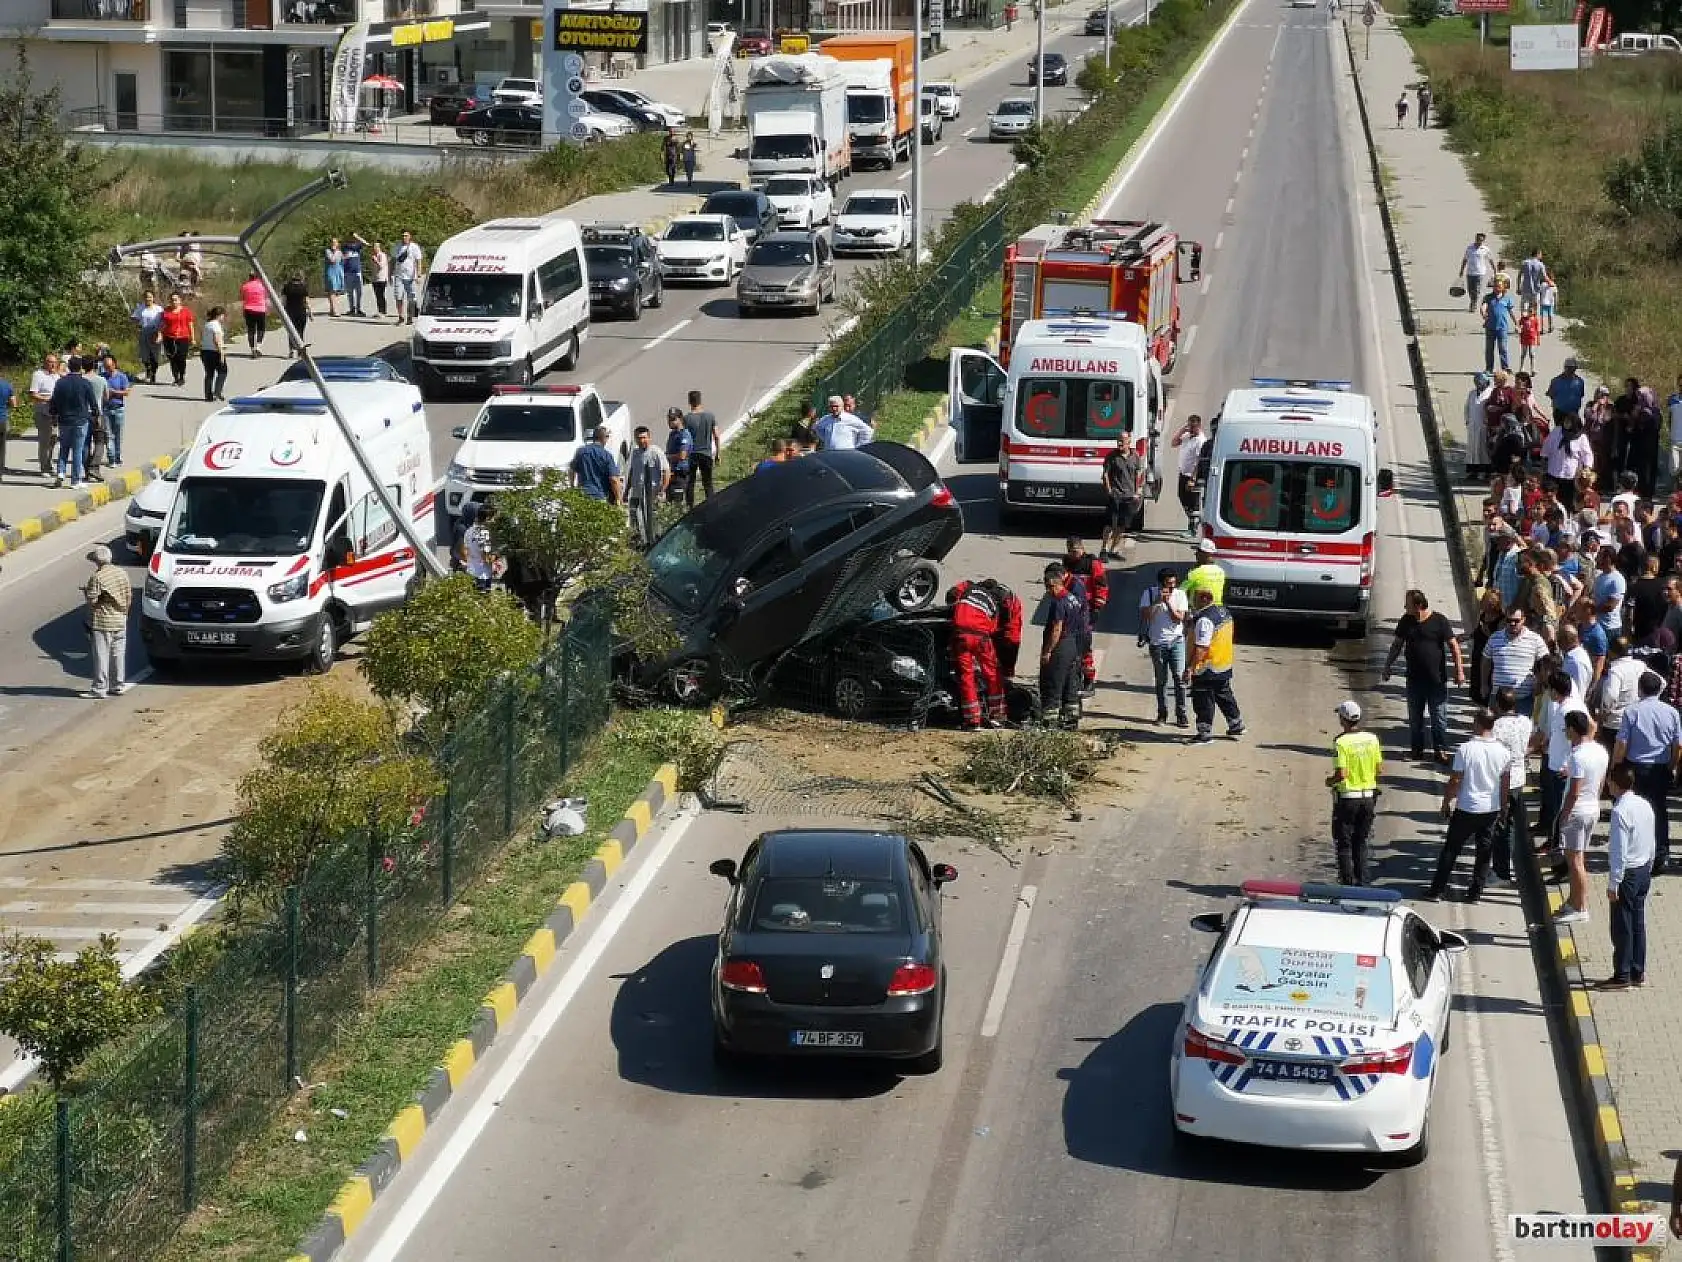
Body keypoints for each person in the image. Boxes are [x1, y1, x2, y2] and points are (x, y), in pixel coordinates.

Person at [1429, 708, 1512, 903]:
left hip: (1467, 807)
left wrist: (1446, 803)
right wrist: (1503, 807)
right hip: (1490, 810)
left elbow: (1455, 781)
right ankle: (1475, 893)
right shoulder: (1503, 752)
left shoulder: (1465, 749)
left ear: (1478, 723)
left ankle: (1437, 890)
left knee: (1451, 849)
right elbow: (1505, 783)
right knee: (1484, 853)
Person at [1382, 588, 1465, 762]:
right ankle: (1417, 750)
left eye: (1408, 604)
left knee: (1439, 718)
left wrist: (1459, 671)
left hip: (1436, 681)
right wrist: (1387, 665)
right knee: (1415, 719)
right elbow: (1397, 645)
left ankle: (1440, 750)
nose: (1405, 607)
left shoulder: (1439, 620)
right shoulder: (1406, 621)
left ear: (1418, 605)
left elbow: (1453, 646)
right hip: (1414, 680)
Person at [1612, 669, 1681, 877]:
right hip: (1660, 769)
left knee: (1636, 812)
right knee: (1659, 810)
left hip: (1637, 768)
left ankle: (1639, 855)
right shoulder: (1671, 712)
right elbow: (1678, 746)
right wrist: (1671, 766)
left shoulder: (1632, 712)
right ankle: (1662, 855)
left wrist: (1616, 765)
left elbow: (1622, 743)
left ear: (1640, 689)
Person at [1600, 763, 1655, 989]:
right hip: (1643, 870)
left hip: (1628, 874)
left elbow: (1618, 852)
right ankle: (1637, 971)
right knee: (1638, 924)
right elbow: (1651, 839)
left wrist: (1614, 882)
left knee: (1622, 926)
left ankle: (1622, 975)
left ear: (1615, 784)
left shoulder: (1620, 811)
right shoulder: (1645, 805)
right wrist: (1649, 865)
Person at [1555, 709, 1608, 925]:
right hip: (1592, 808)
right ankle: (1572, 900)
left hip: (1577, 813)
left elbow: (1574, 792)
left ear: (1571, 729)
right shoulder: (1600, 750)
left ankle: (1581, 907)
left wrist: (1563, 816)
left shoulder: (1577, 756)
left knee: (1575, 862)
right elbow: (1600, 782)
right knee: (1578, 858)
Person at [1327, 699, 1383, 886]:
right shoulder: (1372, 739)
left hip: (1348, 797)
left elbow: (1341, 774)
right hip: (1368, 796)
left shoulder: (1341, 742)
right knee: (1361, 841)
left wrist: (1330, 781)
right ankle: (1363, 882)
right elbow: (1379, 769)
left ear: (1343, 719)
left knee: (1344, 842)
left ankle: (1347, 882)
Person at [1184, 587, 1244, 745]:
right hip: (1223, 663)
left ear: (1203, 598)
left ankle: (1204, 733)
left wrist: (1190, 668)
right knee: (1223, 694)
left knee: (1203, 699)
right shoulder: (1223, 612)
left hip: (1207, 667)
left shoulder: (1205, 620)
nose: (1191, 602)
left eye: (1193, 597)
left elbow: (1202, 647)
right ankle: (1236, 724)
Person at [1490, 686, 1533, 884]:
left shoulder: (1496, 727)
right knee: (1510, 826)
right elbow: (1538, 738)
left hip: (1502, 782)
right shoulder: (1525, 722)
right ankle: (1507, 866)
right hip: (1519, 779)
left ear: (1498, 704)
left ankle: (1501, 873)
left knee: (1501, 827)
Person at [947, 581, 1004, 730]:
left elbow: (952, 594)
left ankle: (972, 720)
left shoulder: (968, 590)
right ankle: (997, 716)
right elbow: (993, 628)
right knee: (993, 674)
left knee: (966, 675)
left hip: (961, 635)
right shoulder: (992, 603)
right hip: (981, 637)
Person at [1039, 562, 1088, 730]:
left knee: (1053, 682)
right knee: (1070, 682)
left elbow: (1056, 628)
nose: (1047, 591)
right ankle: (1071, 719)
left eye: (1048, 587)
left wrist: (1048, 651)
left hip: (1061, 646)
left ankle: (1050, 722)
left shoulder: (1058, 602)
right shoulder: (1072, 598)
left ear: (1054, 584)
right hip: (1074, 644)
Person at [1138, 567, 1189, 727]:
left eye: (1174, 583)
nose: (1172, 587)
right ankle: (1162, 713)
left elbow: (1178, 618)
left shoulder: (1180, 595)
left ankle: (1181, 714)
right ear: (1161, 584)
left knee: (1179, 680)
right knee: (1161, 681)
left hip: (1176, 642)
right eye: (1169, 584)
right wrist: (1157, 602)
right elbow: (1146, 616)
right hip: (1157, 643)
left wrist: (1168, 603)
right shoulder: (1149, 593)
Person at [83, 544, 132, 699]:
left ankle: (99, 688)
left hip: (103, 622)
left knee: (101, 655)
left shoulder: (97, 577)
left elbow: (92, 601)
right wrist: (124, 613)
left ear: (97, 561)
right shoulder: (122, 573)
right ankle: (118, 685)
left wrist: (86, 592)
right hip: (120, 619)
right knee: (118, 654)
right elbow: (128, 595)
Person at [1481, 607, 1547, 712]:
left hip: (1524, 699)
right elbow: (1486, 661)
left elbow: (1545, 663)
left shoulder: (1535, 640)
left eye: (1516, 621)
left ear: (1523, 620)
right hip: (1498, 699)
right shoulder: (1494, 638)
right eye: (1509, 620)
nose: (1512, 624)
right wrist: (1484, 684)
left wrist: (1539, 683)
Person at [1063, 538, 1106, 693]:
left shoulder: (1092, 564)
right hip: (1070, 610)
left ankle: (1089, 679)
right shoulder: (1067, 562)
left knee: (1084, 645)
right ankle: (1072, 677)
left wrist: (1097, 608)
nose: (1074, 555)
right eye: (1071, 552)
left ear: (1082, 549)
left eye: (1076, 551)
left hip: (1085, 610)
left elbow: (1101, 586)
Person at [48, 356, 98, 490]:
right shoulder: (85, 383)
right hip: (80, 420)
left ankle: (61, 472)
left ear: (69, 367)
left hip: (64, 420)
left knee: (64, 448)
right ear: (80, 367)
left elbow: (54, 401)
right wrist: (96, 414)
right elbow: (93, 401)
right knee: (77, 450)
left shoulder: (60, 383)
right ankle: (75, 480)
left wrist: (53, 414)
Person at [624, 425, 670, 547]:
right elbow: (632, 471)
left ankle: (656, 541)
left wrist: (662, 490)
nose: (641, 441)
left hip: (652, 492)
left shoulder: (656, 452)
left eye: (644, 438)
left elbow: (666, 471)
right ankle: (638, 541)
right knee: (634, 516)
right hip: (637, 492)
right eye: (639, 438)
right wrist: (627, 490)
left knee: (654, 519)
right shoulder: (635, 453)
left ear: (649, 438)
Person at [1099, 434, 1141, 560]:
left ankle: (1114, 550)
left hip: (1129, 497)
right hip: (1115, 495)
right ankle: (1104, 550)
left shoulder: (1135, 456)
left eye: (1122, 441)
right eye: (1118, 441)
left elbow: (1136, 474)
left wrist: (1137, 491)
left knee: (1122, 525)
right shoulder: (1112, 457)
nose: (1120, 444)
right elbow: (1105, 474)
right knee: (1109, 524)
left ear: (1129, 442)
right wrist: (1109, 490)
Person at [979, 577, 1023, 681]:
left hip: (1010, 627)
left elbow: (1001, 620)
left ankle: (1006, 678)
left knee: (1008, 649)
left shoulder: (1002, 599)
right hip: (1008, 623)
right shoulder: (1000, 592)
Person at [1170, 414, 1207, 533]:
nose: (1190, 429)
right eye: (1189, 426)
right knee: (1181, 496)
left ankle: (1193, 528)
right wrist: (1182, 431)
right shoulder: (1187, 435)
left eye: (1193, 427)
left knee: (1193, 501)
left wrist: (1193, 478)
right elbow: (1174, 443)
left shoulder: (1201, 441)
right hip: (1183, 473)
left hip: (1192, 476)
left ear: (1199, 426)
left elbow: (1198, 461)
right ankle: (1192, 519)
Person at [682, 389, 719, 504]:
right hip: (706, 454)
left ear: (689, 402)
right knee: (708, 483)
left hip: (691, 455)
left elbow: (684, 438)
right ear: (700, 400)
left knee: (690, 483)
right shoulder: (710, 416)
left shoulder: (686, 419)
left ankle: (690, 508)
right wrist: (718, 453)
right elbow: (716, 435)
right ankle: (711, 505)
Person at [569, 425, 621, 503]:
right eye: (607, 437)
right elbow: (613, 479)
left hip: (583, 495)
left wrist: (572, 486)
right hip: (599, 496)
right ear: (604, 438)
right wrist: (618, 498)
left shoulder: (581, 451)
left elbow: (571, 470)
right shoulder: (606, 455)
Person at [1481, 277, 1517, 374]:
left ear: (1503, 287)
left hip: (1502, 327)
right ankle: (1489, 368)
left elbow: (1511, 312)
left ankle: (1505, 368)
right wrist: (1483, 313)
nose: (1496, 288)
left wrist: (1516, 323)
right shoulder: (1488, 297)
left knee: (1503, 348)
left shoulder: (1507, 299)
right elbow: (1483, 306)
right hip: (1490, 327)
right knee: (1489, 349)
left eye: (1499, 286)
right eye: (1495, 286)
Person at [159, 291, 195, 387]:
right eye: (172, 300)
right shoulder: (166, 312)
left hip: (183, 337)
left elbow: (190, 324)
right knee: (172, 359)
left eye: (176, 300)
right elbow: (162, 325)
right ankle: (176, 378)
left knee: (181, 358)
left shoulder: (186, 311)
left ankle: (182, 376)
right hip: (169, 338)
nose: (174, 302)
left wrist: (193, 337)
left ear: (180, 300)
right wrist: (160, 335)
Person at [1464, 373, 1493, 481]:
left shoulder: (1490, 393)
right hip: (1472, 426)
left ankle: (1485, 472)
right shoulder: (1472, 393)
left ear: (1485, 383)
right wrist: (1467, 421)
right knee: (1472, 450)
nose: (1478, 385)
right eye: (1476, 383)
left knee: (1483, 450)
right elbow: (1467, 407)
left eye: (1480, 383)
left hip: (1483, 426)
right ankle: (1473, 471)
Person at [463, 500, 497, 592]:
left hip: (471, 571)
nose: (494, 521)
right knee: (483, 602)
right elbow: (486, 558)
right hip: (483, 575)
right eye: (493, 518)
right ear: (487, 518)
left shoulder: (469, 531)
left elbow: (465, 551)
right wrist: (496, 556)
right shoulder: (484, 533)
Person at [1183, 536, 1226, 607]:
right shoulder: (1221, 571)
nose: (1195, 554)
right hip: (1217, 611)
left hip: (1199, 610)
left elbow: (1181, 591)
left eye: (1198, 551)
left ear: (1205, 554)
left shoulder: (1195, 573)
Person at [132, 290, 163, 384]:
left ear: (153, 298)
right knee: (145, 355)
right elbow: (135, 319)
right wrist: (134, 320)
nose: (148, 299)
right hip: (143, 332)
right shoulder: (140, 308)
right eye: (146, 297)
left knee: (154, 356)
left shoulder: (159, 309)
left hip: (155, 333)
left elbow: (163, 322)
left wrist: (160, 333)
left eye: (150, 297)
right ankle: (148, 370)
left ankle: (153, 374)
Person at [393, 230, 424, 324]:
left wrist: (419, 274)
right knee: (398, 297)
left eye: (406, 236)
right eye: (402, 235)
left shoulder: (414, 247)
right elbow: (392, 260)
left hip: (410, 277)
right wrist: (390, 274)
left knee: (411, 298)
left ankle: (410, 317)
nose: (404, 237)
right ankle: (401, 317)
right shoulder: (397, 247)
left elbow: (418, 261)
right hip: (398, 276)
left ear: (410, 236)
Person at [1458, 231, 1493, 313]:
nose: (1479, 241)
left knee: (1477, 289)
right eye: (1478, 239)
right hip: (1470, 272)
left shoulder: (1485, 249)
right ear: (1475, 239)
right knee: (1470, 289)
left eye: (1481, 240)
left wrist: (1494, 270)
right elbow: (1465, 259)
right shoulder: (1470, 248)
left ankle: (1474, 304)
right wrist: (1461, 270)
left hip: (1480, 272)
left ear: (1483, 240)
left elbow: (1490, 260)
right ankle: (1472, 300)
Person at [199, 305, 228, 403]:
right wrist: (221, 353)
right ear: (219, 315)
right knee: (223, 371)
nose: (223, 318)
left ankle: (208, 395)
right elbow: (217, 340)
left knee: (209, 373)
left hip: (204, 351)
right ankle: (217, 392)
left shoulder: (207, 324)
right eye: (223, 315)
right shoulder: (216, 325)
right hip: (214, 352)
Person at [664, 407, 693, 502]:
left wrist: (666, 457)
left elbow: (682, 456)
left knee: (677, 502)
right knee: (669, 500)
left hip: (680, 473)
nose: (670, 422)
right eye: (669, 419)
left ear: (680, 419)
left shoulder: (684, 435)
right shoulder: (673, 434)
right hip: (671, 472)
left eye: (673, 419)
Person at [281, 272, 310, 356]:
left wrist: (282, 311)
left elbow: (283, 300)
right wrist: (310, 312)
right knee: (300, 331)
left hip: (290, 311)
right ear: (300, 279)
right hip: (301, 312)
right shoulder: (303, 287)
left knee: (291, 331)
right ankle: (300, 350)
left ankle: (291, 350)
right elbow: (306, 301)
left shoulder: (286, 287)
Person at [370, 240, 391, 317]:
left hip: (382, 278)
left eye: (376, 246)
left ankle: (383, 311)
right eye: (374, 246)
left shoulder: (382, 255)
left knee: (381, 294)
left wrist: (376, 260)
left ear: (379, 248)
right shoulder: (373, 255)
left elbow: (381, 266)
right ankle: (379, 311)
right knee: (377, 295)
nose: (375, 248)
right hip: (375, 278)